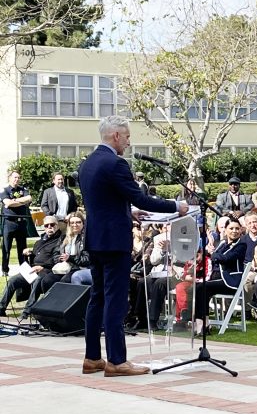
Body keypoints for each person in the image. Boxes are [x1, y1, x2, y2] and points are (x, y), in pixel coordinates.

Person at [78, 116, 187, 377]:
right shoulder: (116, 164)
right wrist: (175, 206)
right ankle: (117, 361)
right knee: (115, 300)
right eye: (126, 136)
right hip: (114, 242)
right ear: (116, 135)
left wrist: (128, 213)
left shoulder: (87, 163)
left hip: (95, 239)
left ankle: (92, 357)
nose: (128, 142)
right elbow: (140, 197)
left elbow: (106, 202)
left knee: (98, 298)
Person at [0, 216, 62, 318]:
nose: (49, 227)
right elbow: (33, 258)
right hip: (32, 269)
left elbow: (56, 258)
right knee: (12, 280)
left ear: (57, 226)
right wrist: (28, 254)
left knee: (37, 280)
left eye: (52, 225)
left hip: (47, 270)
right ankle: (1, 308)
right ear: (44, 227)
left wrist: (42, 267)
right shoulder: (40, 241)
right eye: (47, 225)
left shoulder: (60, 240)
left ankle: (26, 312)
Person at [1, 171, 33, 277]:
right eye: (15, 177)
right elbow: (7, 203)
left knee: (22, 249)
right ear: (10, 178)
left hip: (21, 223)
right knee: (6, 248)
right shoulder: (4, 190)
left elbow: (29, 198)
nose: (17, 179)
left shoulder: (23, 190)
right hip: (9, 223)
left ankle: (24, 270)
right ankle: (5, 270)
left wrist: (14, 200)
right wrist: (21, 202)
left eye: (19, 177)